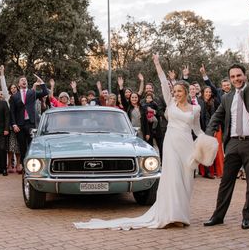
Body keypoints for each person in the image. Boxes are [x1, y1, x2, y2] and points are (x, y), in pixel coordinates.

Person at [74, 54, 217, 230]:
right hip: (171, 143)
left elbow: (197, 130)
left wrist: (207, 143)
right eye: (175, 91)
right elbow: (164, 82)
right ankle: (172, 215)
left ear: (186, 92)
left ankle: (182, 214)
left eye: (180, 91)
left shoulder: (196, 108)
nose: (177, 93)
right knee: (172, 179)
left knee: (187, 180)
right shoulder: (170, 103)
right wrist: (157, 63)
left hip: (187, 145)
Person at [203, 33, 249, 230]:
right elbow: (216, 117)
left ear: (244, 76)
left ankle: (247, 216)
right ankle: (218, 216)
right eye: (232, 77)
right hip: (233, 143)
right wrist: (207, 135)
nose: (236, 79)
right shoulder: (226, 98)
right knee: (226, 182)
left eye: (238, 75)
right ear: (229, 79)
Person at [9, 74, 48, 162]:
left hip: (31, 123)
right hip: (20, 125)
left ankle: (33, 165)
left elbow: (45, 92)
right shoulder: (14, 96)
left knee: (32, 146)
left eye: (25, 80)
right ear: (19, 84)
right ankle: (24, 167)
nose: (24, 81)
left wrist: (41, 82)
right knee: (22, 147)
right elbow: (12, 112)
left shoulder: (32, 93)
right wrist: (14, 124)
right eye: (22, 80)